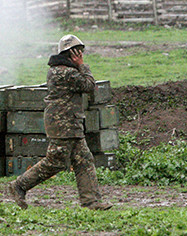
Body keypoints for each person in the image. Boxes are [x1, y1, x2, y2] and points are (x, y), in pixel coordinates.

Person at [8, 34, 112, 210]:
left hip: (69, 124)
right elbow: (88, 85)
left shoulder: (60, 70)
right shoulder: (66, 72)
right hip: (63, 125)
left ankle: (91, 202)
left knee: (84, 160)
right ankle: (19, 186)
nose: (80, 55)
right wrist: (82, 66)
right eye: (78, 52)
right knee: (55, 162)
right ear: (70, 53)